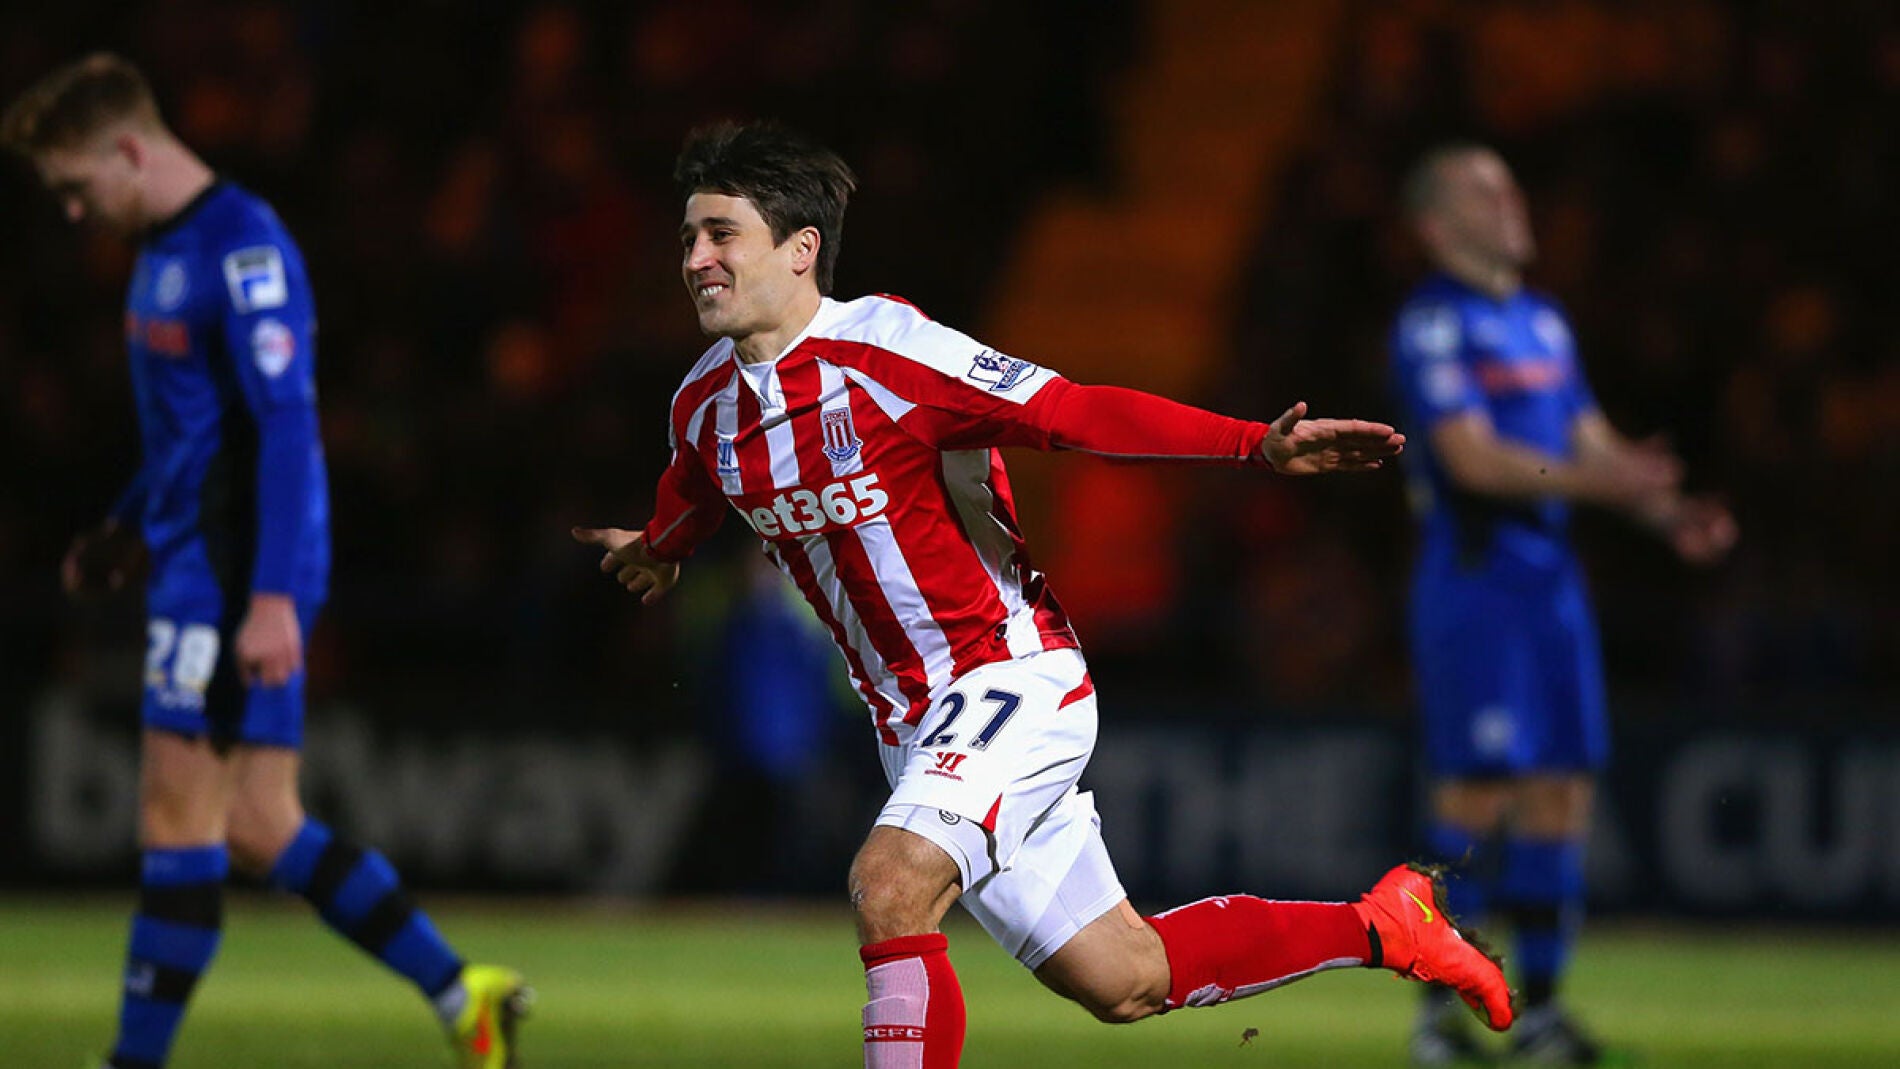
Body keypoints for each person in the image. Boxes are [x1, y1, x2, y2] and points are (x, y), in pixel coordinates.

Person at [572, 120, 1513, 1068]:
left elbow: (1071, 411)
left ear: (799, 248)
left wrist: (1252, 445)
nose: (695, 259)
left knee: (890, 884)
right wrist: (660, 550)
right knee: (1124, 975)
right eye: (688, 237)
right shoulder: (704, 405)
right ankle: (1387, 923)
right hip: (911, 724)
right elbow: (694, 489)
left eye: (721, 234)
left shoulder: (892, 354)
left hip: (1008, 676)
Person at [3, 54, 529, 1069]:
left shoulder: (244, 248)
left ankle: (130, 1062)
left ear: (127, 150)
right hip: (194, 555)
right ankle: (461, 991)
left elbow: (286, 424)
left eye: (75, 186)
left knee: (175, 816)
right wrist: (127, 526)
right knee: (257, 821)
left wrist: (273, 596)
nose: (72, 212)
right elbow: (194, 436)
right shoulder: (162, 249)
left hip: (231, 569)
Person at [1389, 143, 1736, 1065]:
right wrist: (1606, 481)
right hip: (1476, 580)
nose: (1511, 202)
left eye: (1510, 185)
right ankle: (1436, 1017)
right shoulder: (1435, 324)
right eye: (1484, 192)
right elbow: (1471, 459)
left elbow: (1593, 443)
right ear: (1436, 226)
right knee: (1477, 792)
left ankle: (1538, 1011)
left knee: (1561, 791)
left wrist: (1668, 512)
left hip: (1550, 583)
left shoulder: (1542, 322)